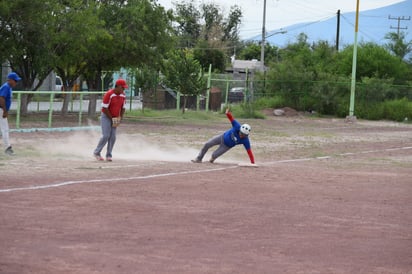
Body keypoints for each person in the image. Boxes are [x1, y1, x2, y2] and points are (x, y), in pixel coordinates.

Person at [93, 78, 128, 161]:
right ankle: (96, 152)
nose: (123, 89)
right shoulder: (109, 94)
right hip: (106, 116)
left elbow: (123, 108)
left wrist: (120, 118)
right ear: (118, 86)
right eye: (122, 87)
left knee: (113, 137)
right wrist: (112, 118)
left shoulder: (123, 95)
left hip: (115, 117)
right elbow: (104, 108)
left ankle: (109, 155)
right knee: (106, 135)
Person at [0, 72, 22, 155]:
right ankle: (8, 148)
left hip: (1, 109)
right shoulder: (6, 87)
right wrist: (5, 111)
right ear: (10, 80)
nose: (16, 82)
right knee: (5, 129)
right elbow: (1, 98)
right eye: (15, 80)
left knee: (4, 128)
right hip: (1, 109)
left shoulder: (8, 87)